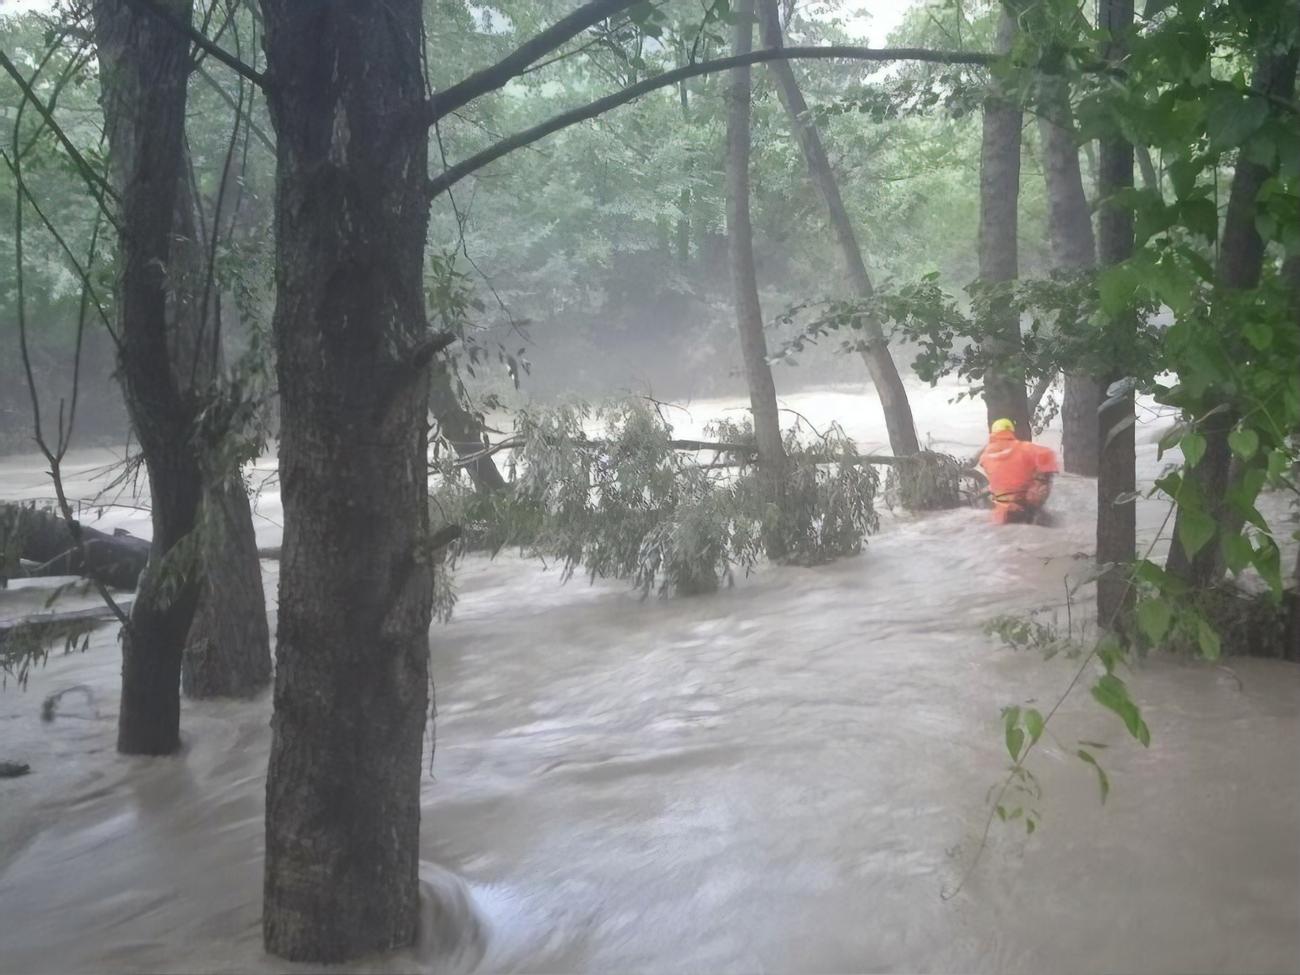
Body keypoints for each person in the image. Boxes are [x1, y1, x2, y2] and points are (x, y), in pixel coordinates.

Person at [978, 418, 1060, 525]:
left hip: (1000, 513)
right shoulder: (1024, 448)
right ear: (1012, 432)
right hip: (1024, 506)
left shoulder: (984, 457)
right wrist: (1042, 479)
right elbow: (1048, 453)